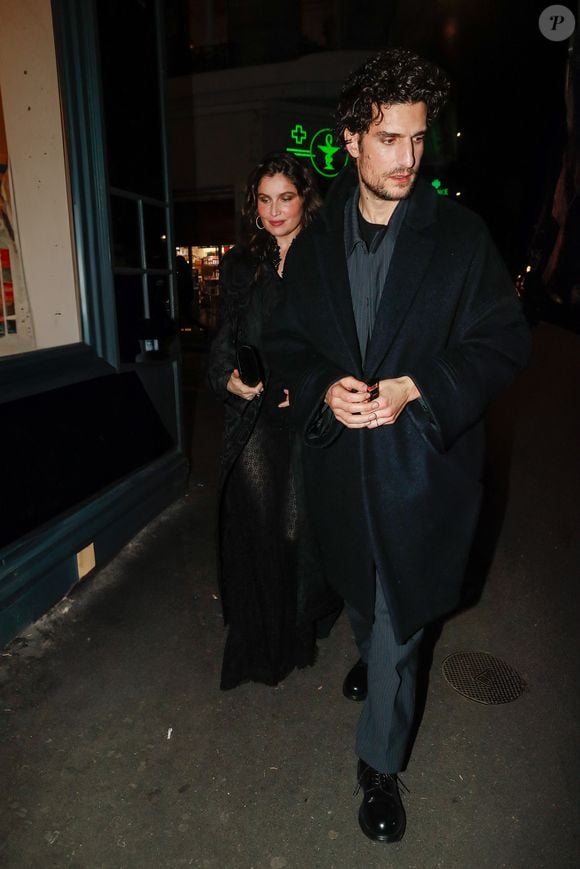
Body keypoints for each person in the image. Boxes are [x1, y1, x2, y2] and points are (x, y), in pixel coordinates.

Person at [263, 49, 531, 843]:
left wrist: (419, 385)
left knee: (398, 618)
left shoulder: (460, 238)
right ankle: (373, 652)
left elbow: (503, 342)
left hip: (421, 470)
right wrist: (321, 384)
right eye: (389, 140)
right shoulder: (310, 249)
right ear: (350, 140)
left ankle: (379, 761)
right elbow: (285, 342)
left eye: (418, 139)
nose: (409, 158)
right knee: (360, 591)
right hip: (343, 471)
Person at [207, 152, 341, 691]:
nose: (273, 210)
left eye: (284, 197)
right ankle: (261, 646)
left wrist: (309, 390)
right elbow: (224, 337)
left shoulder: (330, 259)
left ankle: (299, 629)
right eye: (263, 199)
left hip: (308, 419)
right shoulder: (243, 264)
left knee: (297, 531)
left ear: (305, 197)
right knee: (258, 530)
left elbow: (344, 344)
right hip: (255, 417)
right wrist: (227, 378)